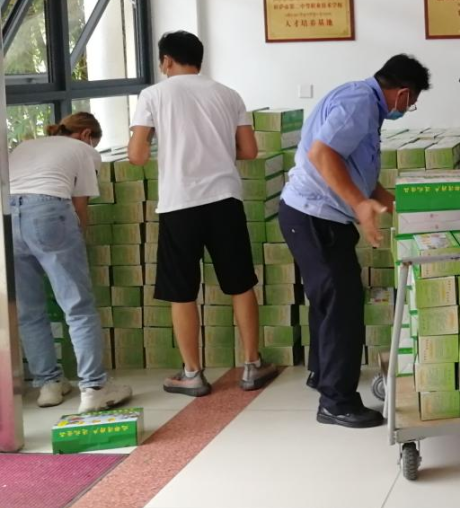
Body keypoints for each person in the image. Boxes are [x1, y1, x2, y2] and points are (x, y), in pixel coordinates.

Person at [279, 54, 430, 428]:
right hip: (315, 216)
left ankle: (321, 375)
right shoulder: (361, 102)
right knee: (342, 306)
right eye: (411, 103)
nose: (407, 110)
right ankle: (337, 402)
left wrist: (394, 203)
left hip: (314, 216)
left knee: (329, 302)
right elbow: (323, 154)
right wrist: (360, 205)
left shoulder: (362, 101)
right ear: (403, 93)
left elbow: (356, 169)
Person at [129, 31, 278, 398]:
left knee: (182, 291)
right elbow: (249, 150)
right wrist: (217, 150)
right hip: (224, 199)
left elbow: (137, 156)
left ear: (166, 61)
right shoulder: (228, 94)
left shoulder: (153, 95)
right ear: (199, 59)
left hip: (179, 203)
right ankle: (252, 365)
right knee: (240, 283)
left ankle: (193, 373)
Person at [10, 113, 132, 413]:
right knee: (77, 306)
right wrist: (78, 242)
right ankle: (94, 388)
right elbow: (80, 206)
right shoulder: (84, 150)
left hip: (7, 216)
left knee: (28, 310)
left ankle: (49, 385)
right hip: (48, 212)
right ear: (87, 134)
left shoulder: (26, 145)